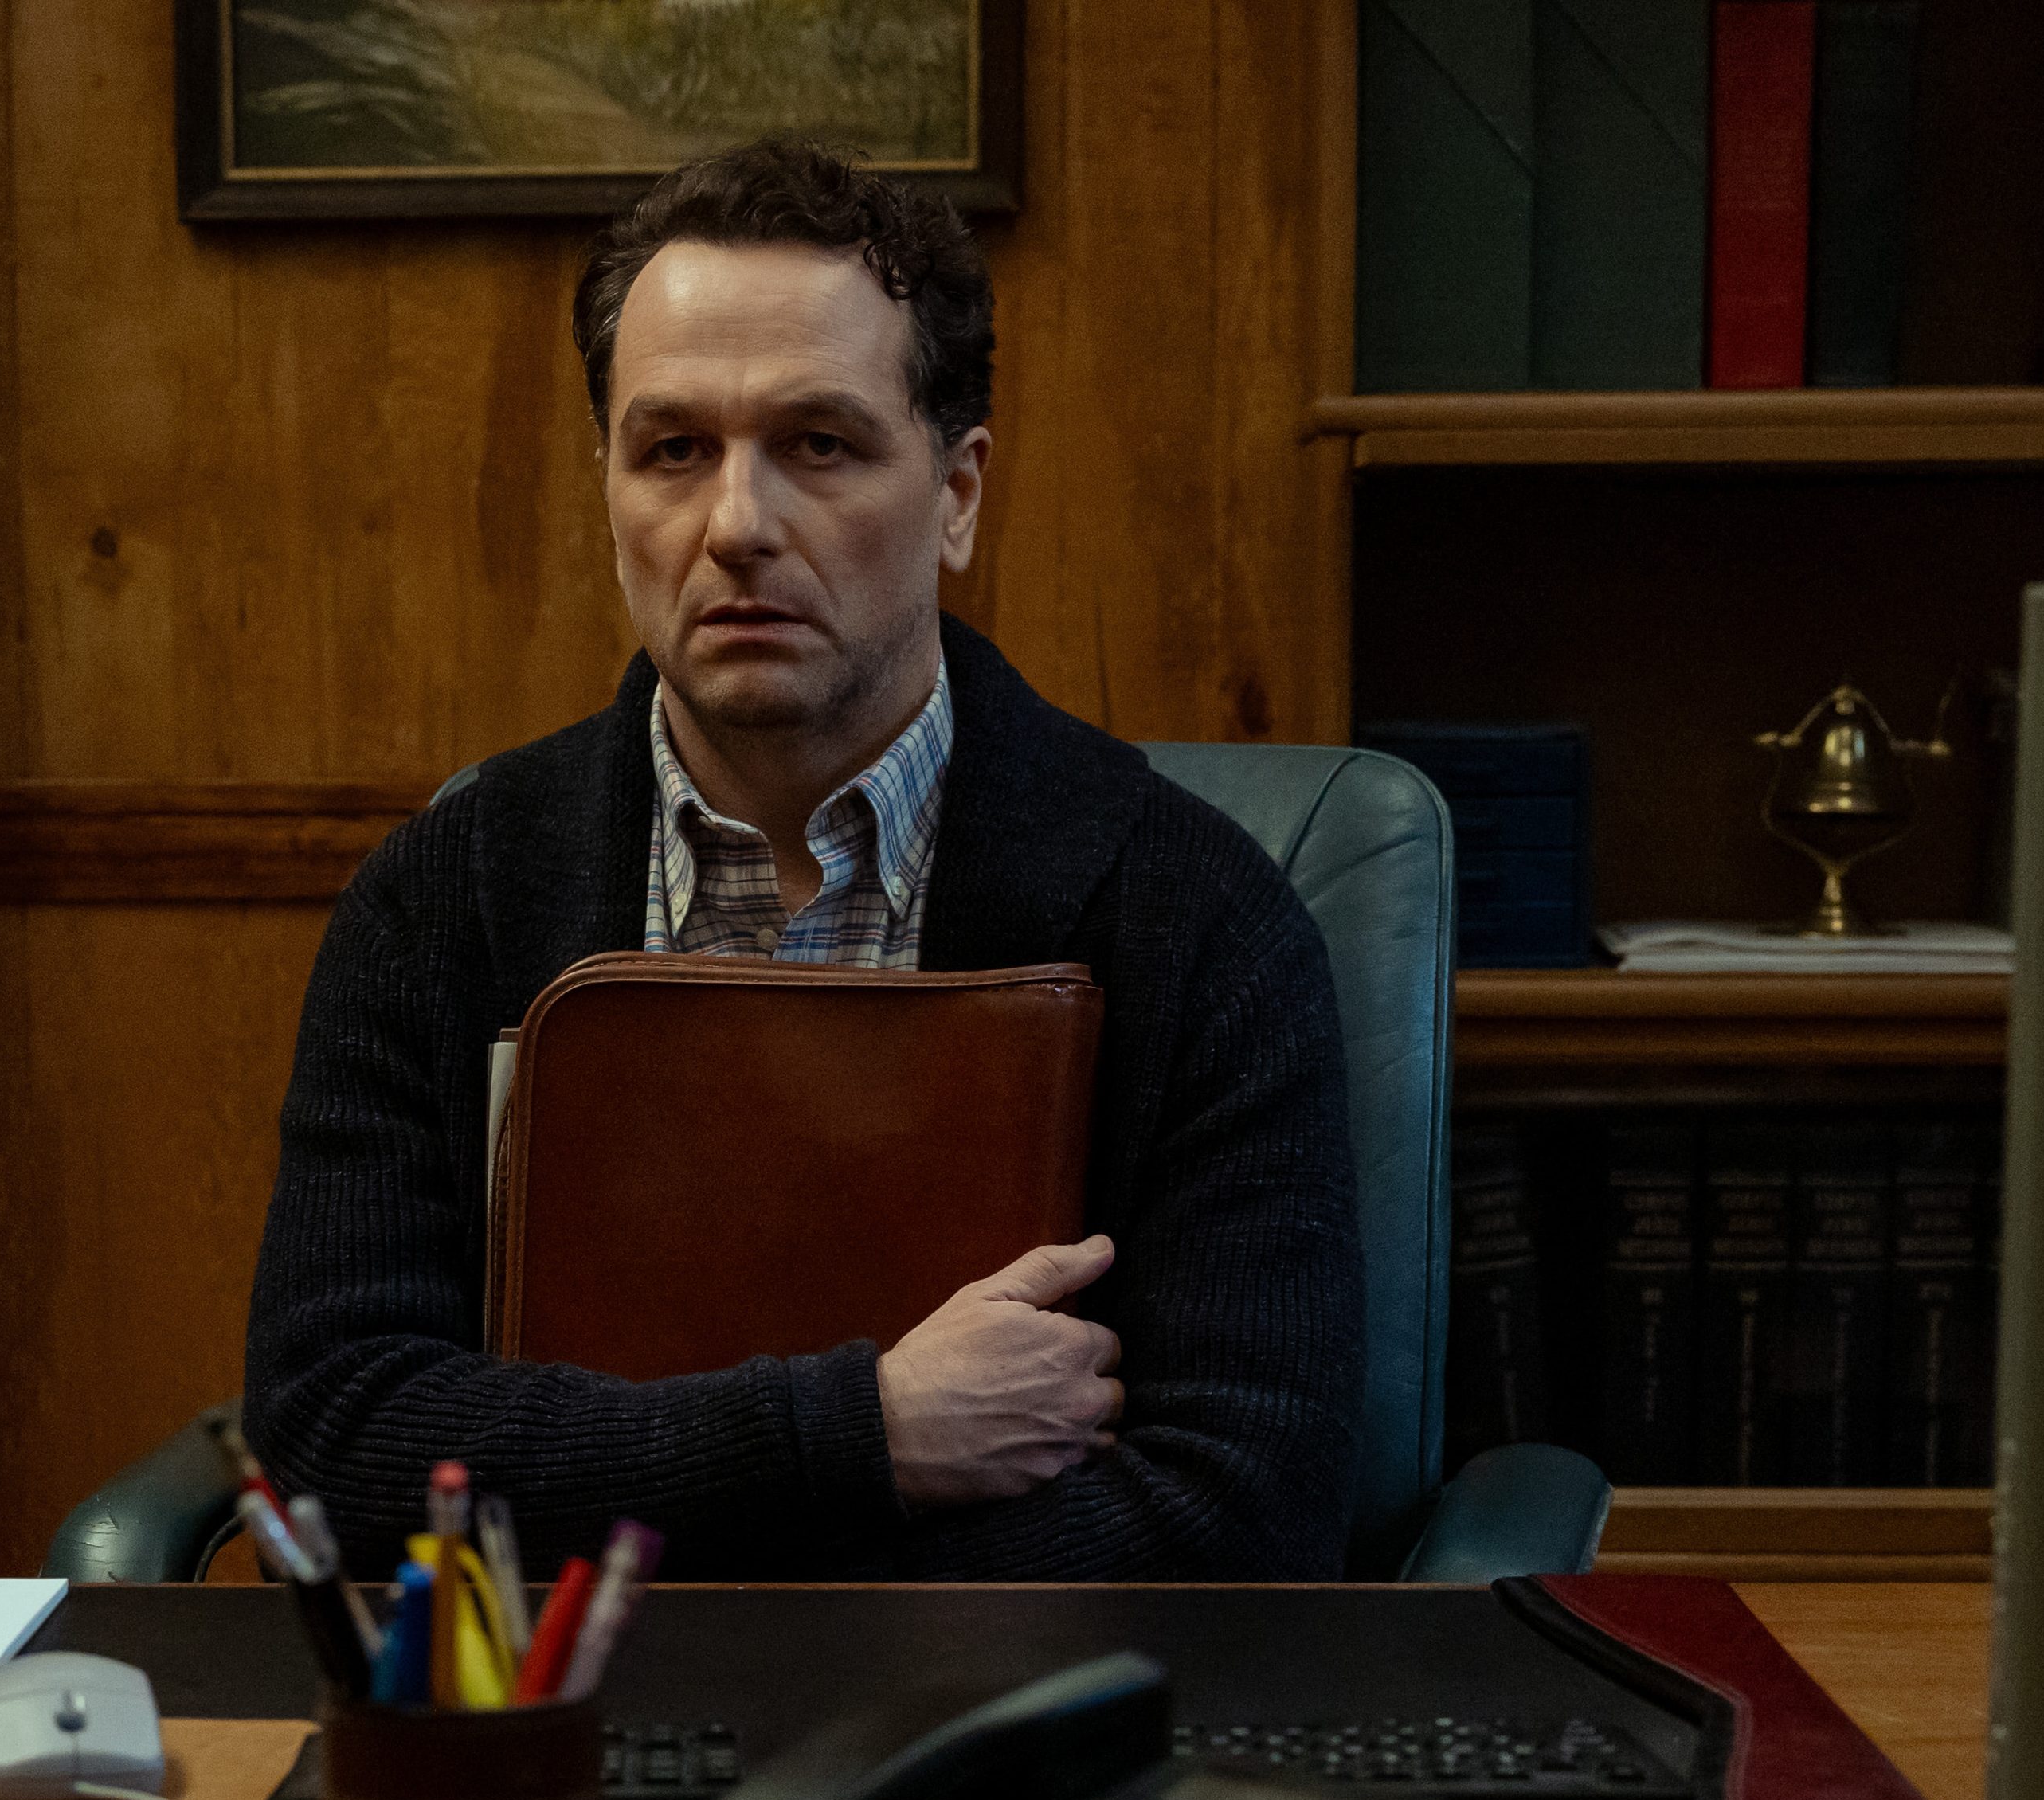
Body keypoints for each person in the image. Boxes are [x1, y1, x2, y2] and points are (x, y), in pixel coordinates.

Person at [241, 138, 1361, 1579]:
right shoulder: (440, 900)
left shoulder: (1201, 915)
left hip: (1005, 1706)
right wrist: (862, 1436)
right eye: (673, 451)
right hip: (563, 1704)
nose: (737, 526)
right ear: (607, 491)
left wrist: (668, 1525)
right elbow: (334, 1440)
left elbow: (1250, 1506)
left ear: (957, 493)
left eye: (820, 444)